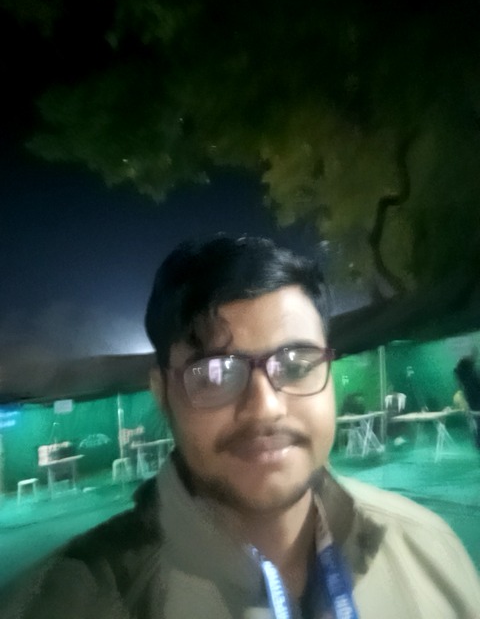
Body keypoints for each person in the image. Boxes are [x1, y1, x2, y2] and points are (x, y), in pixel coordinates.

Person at [2, 235, 480, 618]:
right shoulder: (68, 602)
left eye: (296, 363)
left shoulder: (427, 553)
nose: (265, 408)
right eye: (215, 373)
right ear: (162, 393)